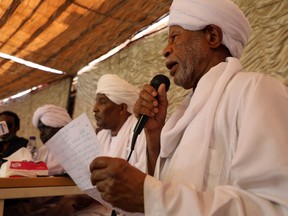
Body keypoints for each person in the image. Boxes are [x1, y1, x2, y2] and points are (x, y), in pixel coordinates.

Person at [89, 0, 288, 215]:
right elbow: (169, 184)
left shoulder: (255, 90)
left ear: (212, 36)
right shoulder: (182, 114)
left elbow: (276, 206)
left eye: (174, 37)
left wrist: (150, 197)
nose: (165, 50)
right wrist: (154, 136)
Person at [73, 74, 147, 216]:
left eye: (102, 102)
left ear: (121, 109)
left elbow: (143, 180)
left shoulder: (141, 133)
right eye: (96, 102)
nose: (95, 108)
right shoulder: (101, 136)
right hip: (102, 206)